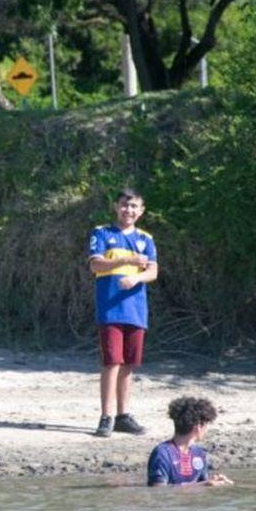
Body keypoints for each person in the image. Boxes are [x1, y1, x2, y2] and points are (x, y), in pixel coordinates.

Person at [88, 186, 158, 437]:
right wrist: (126, 261)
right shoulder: (102, 233)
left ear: (141, 211)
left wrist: (136, 279)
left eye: (133, 206)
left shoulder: (146, 239)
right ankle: (106, 416)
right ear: (117, 207)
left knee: (129, 363)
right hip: (110, 308)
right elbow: (95, 264)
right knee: (111, 362)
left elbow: (153, 271)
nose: (128, 210)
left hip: (136, 310)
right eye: (124, 205)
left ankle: (123, 415)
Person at [146, 396, 234, 487]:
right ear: (198, 427)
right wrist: (201, 485)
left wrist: (215, 481)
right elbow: (158, 490)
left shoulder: (199, 453)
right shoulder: (162, 454)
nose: (206, 430)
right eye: (206, 425)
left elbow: (202, 483)